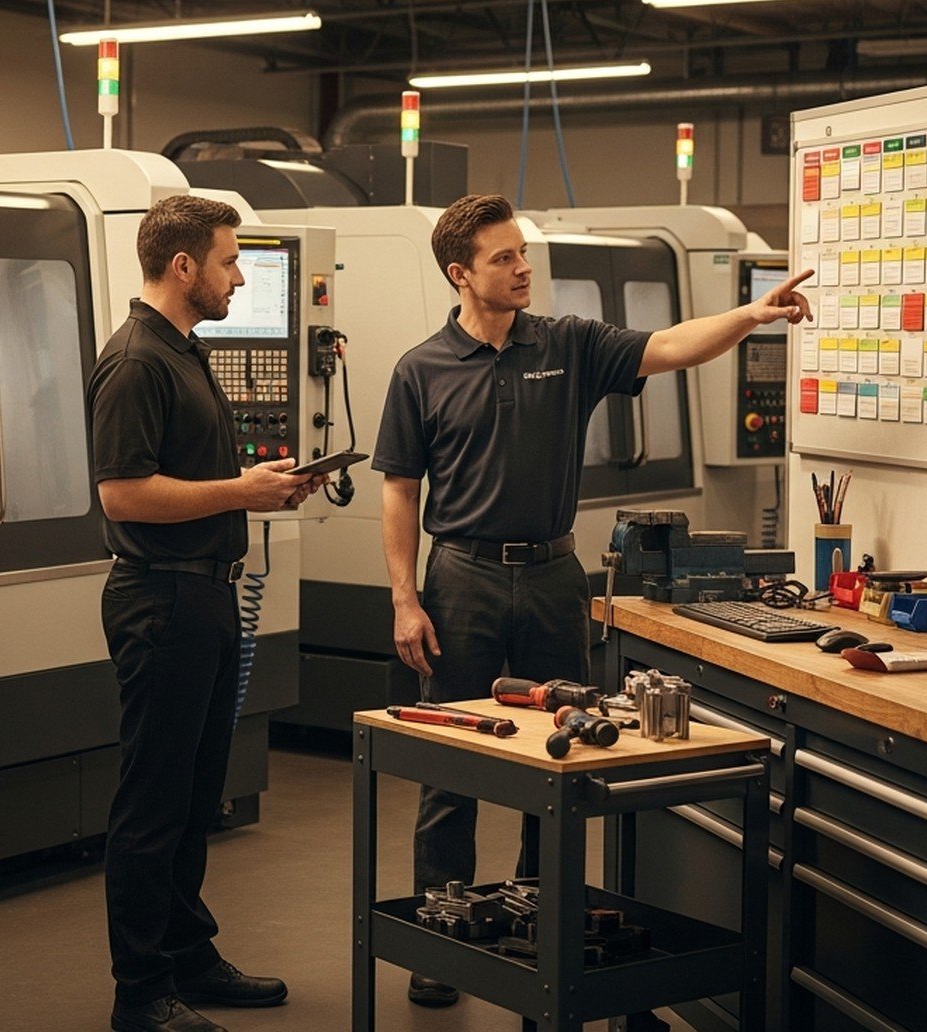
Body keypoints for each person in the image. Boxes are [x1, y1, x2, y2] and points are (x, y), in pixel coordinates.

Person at [373, 194, 812, 1008]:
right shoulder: (420, 368)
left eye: (521, 253)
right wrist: (406, 598)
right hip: (461, 577)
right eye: (504, 258)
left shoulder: (568, 344)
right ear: (460, 273)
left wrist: (752, 316)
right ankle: (441, 931)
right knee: (450, 761)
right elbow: (400, 490)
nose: (523, 268)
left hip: (552, 577)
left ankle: (543, 919)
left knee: (562, 755)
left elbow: (670, 346)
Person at [89, 194, 328, 1032]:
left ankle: (187, 955)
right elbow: (123, 494)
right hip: (162, 600)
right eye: (230, 262)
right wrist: (241, 492)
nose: (239, 279)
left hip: (206, 595)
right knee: (152, 804)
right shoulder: (136, 362)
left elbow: (192, 477)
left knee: (196, 798)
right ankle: (140, 992)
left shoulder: (185, 352)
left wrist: (268, 487)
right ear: (184, 265)